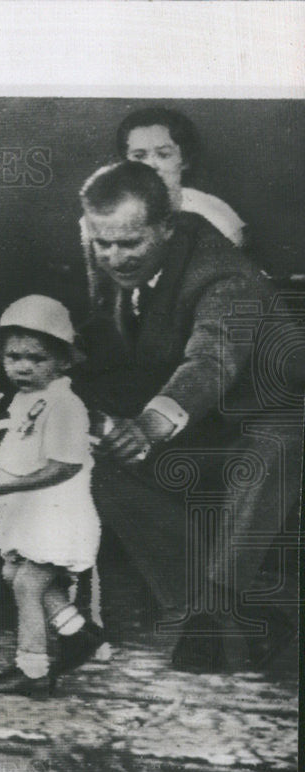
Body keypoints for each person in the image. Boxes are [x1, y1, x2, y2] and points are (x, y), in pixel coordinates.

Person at [76, 161, 301, 672]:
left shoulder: (222, 272)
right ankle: (232, 609)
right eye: (101, 243)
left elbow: (212, 358)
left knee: (265, 458)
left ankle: (221, 613)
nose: (113, 257)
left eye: (129, 244)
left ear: (167, 227)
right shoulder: (107, 245)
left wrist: (151, 425)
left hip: (274, 411)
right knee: (100, 468)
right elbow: (106, 330)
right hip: (205, 420)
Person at [0, 297, 101, 698]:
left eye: (37, 358)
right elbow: (23, 448)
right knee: (14, 573)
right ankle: (77, 633)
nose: (23, 367)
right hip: (31, 513)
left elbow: (66, 465)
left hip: (59, 515)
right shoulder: (28, 400)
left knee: (28, 585)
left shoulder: (65, 406)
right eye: (14, 357)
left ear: (63, 361)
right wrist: (1, 471)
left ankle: (33, 671)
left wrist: (10, 484)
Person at [116, 106, 245, 247]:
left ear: (184, 160)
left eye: (163, 154)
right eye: (139, 156)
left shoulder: (212, 213)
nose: (151, 165)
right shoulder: (104, 210)